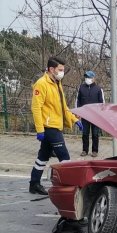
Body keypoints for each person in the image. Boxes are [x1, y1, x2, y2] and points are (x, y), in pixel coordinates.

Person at [29, 56, 82, 195]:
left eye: (63, 70)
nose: (62, 72)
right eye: (60, 70)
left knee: (43, 156)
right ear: (51, 69)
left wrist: (74, 119)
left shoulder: (57, 83)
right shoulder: (42, 84)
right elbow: (36, 108)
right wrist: (40, 130)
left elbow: (63, 107)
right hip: (49, 127)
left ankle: (34, 184)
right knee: (64, 157)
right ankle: (71, 187)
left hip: (55, 125)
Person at [76, 70, 104, 157]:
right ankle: (85, 150)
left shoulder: (98, 89)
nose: (87, 79)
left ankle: (95, 151)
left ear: (93, 78)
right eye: (86, 77)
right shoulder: (81, 88)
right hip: (85, 115)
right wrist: (77, 112)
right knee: (85, 134)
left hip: (95, 116)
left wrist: (101, 115)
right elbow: (78, 101)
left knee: (95, 134)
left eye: (89, 77)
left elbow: (102, 103)